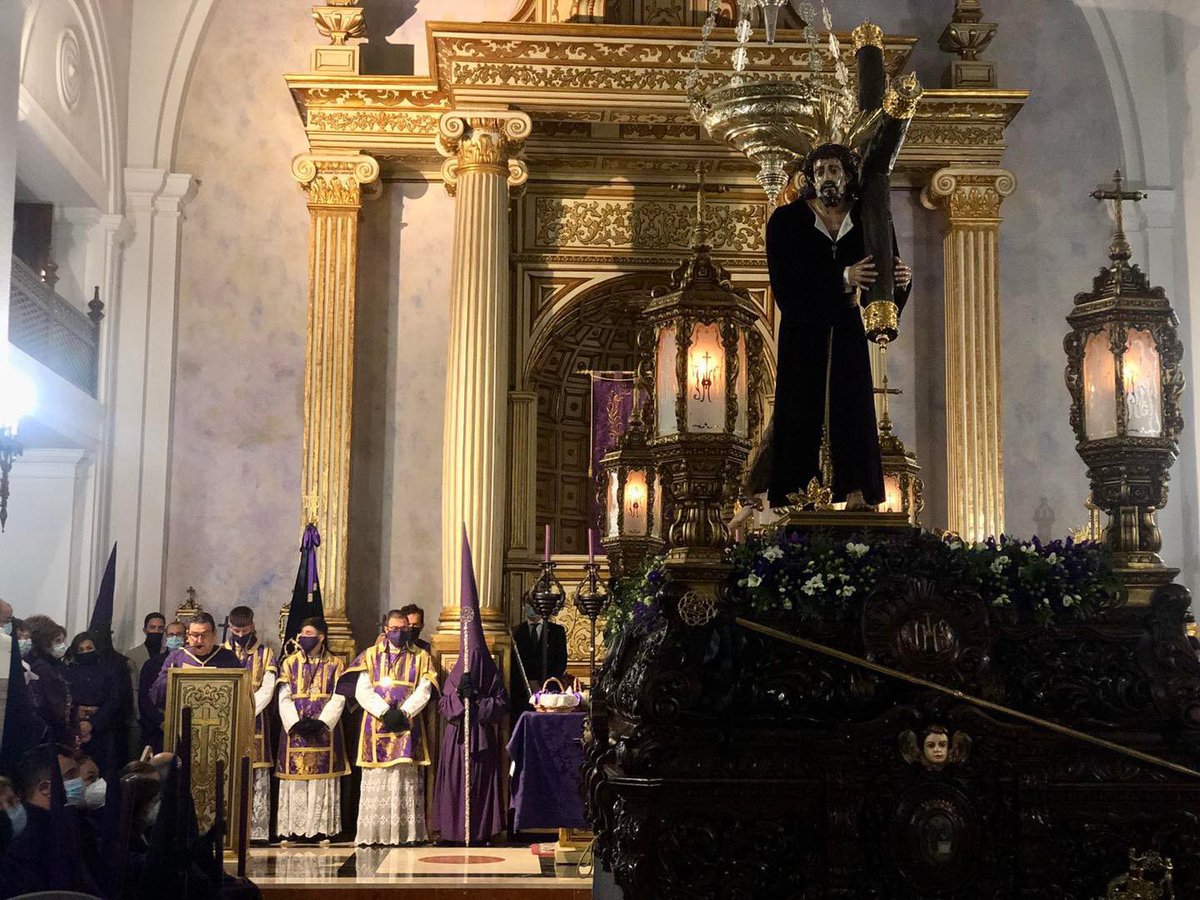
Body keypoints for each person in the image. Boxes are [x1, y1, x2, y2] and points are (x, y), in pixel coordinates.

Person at [762, 42, 921, 510]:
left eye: (836, 168)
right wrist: (841, 277)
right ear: (810, 177)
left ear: (851, 175)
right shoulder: (787, 222)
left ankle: (855, 493)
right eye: (821, 169)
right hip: (805, 337)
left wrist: (900, 283)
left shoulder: (870, 217)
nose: (829, 175)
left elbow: (883, 279)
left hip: (849, 335)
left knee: (853, 408)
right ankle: (797, 497)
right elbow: (787, 287)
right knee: (801, 409)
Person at [433, 533, 509, 843]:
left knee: (479, 782)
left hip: (480, 739)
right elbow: (443, 706)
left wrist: (477, 704)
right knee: (454, 782)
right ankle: (453, 830)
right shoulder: (455, 672)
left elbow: (502, 703)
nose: (472, 659)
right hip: (457, 741)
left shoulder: (489, 670)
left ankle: (479, 831)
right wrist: (459, 698)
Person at [348, 609, 438, 845]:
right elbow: (362, 689)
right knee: (379, 779)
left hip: (406, 723)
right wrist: (384, 712)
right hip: (377, 723)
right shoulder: (370, 655)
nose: (399, 633)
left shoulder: (421, 656)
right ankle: (374, 834)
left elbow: (425, 687)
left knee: (403, 778)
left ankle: (405, 834)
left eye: (404, 629)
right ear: (385, 629)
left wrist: (405, 712)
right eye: (394, 629)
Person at [276, 616, 348, 843]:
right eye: (302, 634)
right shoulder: (289, 663)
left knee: (321, 777)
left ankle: (320, 828)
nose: (303, 638)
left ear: (321, 637)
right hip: (296, 728)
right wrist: (294, 722)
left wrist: (323, 722)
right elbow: (284, 694)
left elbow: (339, 696)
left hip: (323, 728)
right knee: (295, 775)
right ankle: (293, 829)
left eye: (309, 634)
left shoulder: (336, 664)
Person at [222, 605, 278, 843]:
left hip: (256, 721)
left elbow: (268, 687)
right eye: (236, 629)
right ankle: (228, 826)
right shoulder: (222, 652)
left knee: (256, 774)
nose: (241, 634)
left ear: (253, 626)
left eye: (245, 629)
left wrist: (249, 708)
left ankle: (256, 830)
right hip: (226, 719)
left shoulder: (265, 654)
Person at [150, 612, 241, 708]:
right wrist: (174, 678)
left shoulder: (228, 658)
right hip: (184, 716)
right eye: (195, 635)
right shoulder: (176, 657)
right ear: (187, 636)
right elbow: (156, 696)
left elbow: (240, 693)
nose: (199, 640)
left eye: (204, 635)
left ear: (214, 635)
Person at [64, 632, 123, 777]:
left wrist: (93, 724)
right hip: (75, 729)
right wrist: (77, 714)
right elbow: (64, 698)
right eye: (81, 650)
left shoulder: (109, 671)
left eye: (89, 648)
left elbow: (114, 700)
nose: (85, 652)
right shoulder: (68, 671)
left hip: (103, 729)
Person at [23, 615, 75, 747]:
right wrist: (69, 735)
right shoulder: (42, 667)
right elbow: (54, 707)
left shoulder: (51, 664)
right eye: (57, 641)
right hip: (49, 734)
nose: (62, 646)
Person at [511, 602, 568, 716]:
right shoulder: (516, 632)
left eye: (534, 604)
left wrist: (542, 683)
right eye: (528, 604)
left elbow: (561, 661)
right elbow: (512, 663)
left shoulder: (556, 631)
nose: (531, 608)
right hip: (522, 691)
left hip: (548, 690)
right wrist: (530, 682)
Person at [138, 620, 184, 753]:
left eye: (179, 634)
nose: (174, 638)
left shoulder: (192, 662)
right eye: (171, 635)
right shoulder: (152, 664)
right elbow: (144, 697)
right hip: (157, 726)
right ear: (165, 637)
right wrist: (160, 721)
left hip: (184, 725)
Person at [126, 613, 166, 717]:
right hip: (139, 713)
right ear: (145, 630)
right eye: (152, 628)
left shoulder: (169, 654)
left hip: (163, 713)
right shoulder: (133, 655)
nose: (156, 631)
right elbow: (132, 688)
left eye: (160, 628)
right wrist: (138, 715)